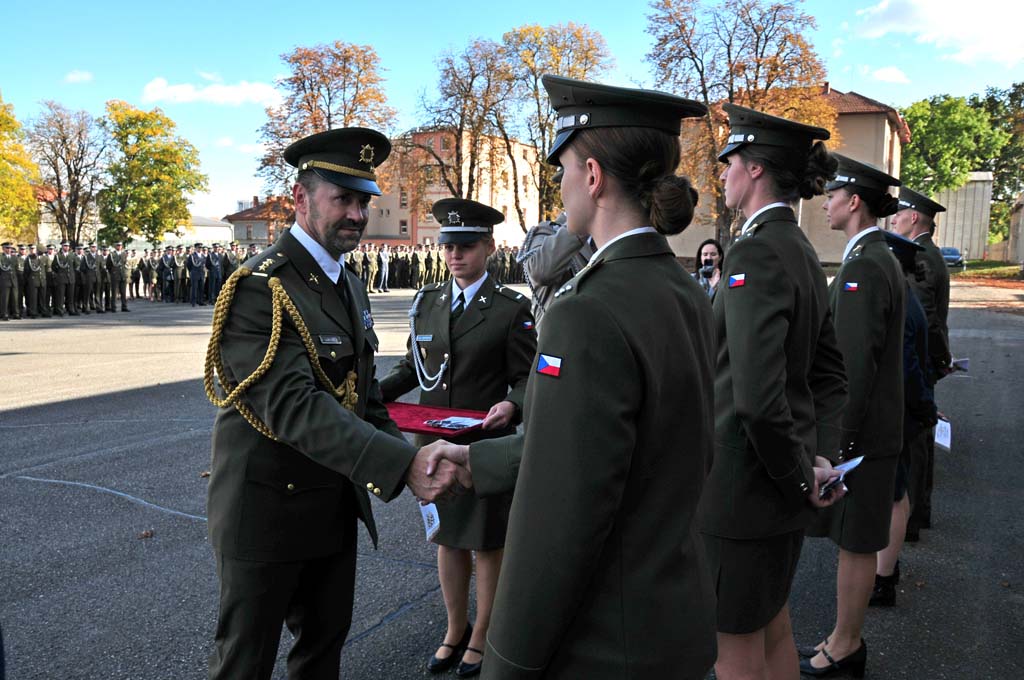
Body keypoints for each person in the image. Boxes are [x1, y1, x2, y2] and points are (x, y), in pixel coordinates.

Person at [425, 74, 720, 679]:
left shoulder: (586, 308)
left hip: (607, 640)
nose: (560, 189)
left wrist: (507, 660)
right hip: (672, 616)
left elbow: (561, 515)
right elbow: (614, 445)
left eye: (563, 172)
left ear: (593, 176)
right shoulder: (683, 290)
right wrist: (476, 463)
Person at [204, 126, 466, 680]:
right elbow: (292, 405)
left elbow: (362, 398)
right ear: (301, 199)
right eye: (341, 199)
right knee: (244, 663)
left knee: (322, 656)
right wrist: (403, 465)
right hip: (267, 510)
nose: (355, 213)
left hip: (332, 505)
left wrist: (409, 457)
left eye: (362, 201)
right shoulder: (260, 286)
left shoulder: (346, 283)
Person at [701, 104, 848, 680]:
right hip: (781, 478)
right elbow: (830, 373)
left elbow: (756, 398)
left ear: (755, 169)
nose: (724, 173)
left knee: (732, 643)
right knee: (771, 627)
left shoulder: (755, 250)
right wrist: (819, 457)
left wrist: (798, 475)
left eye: (730, 160)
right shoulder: (802, 251)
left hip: (746, 489)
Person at [380, 198, 536, 678]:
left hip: (483, 447)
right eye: (448, 246)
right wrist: (365, 396)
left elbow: (529, 375)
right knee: (448, 539)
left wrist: (513, 403)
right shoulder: (428, 303)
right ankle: (455, 628)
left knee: (487, 542)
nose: (455, 256)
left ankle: (485, 634)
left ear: (489, 247)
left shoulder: (512, 308)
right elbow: (412, 368)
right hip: (430, 445)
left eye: (466, 246)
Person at [802, 154, 905, 678]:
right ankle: (844, 637)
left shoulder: (864, 264)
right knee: (855, 539)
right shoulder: (873, 256)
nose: (826, 203)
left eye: (833, 195)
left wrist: (836, 445)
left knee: (857, 541)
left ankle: (846, 645)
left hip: (862, 436)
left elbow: (854, 368)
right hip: (873, 432)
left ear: (854, 201)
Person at [870, 231, 937, 607]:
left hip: (900, 413)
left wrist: (924, 407)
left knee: (895, 495)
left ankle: (884, 578)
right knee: (897, 491)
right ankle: (885, 573)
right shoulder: (908, 299)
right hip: (907, 411)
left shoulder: (905, 304)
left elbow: (908, 366)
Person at [890, 187, 950, 540]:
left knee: (913, 440)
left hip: (920, 359)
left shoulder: (922, 256)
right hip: (927, 358)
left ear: (914, 218)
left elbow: (926, 317)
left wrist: (940, 359)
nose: (894, 219)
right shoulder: (930, 252)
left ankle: (909, 519)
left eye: (899, 215)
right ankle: (916, 513)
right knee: (920, 439)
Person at [517, 211, 595, 328]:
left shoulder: (611, 232)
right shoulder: (547, 231)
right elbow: (541, 272)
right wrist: (580, 220)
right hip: (559, 337)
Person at [108, 242, 130, 312]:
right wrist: (113, 272)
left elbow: (125, 264)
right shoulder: (111, 255)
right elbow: (108, 265)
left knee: (123, 292)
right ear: (115, 246)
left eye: (120, 245)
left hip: (122, 275)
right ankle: (113, 307)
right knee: (114, 292)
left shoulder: (124, 254)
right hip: (115, 275)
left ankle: (124, 307)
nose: (119, 247)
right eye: (117, 245)